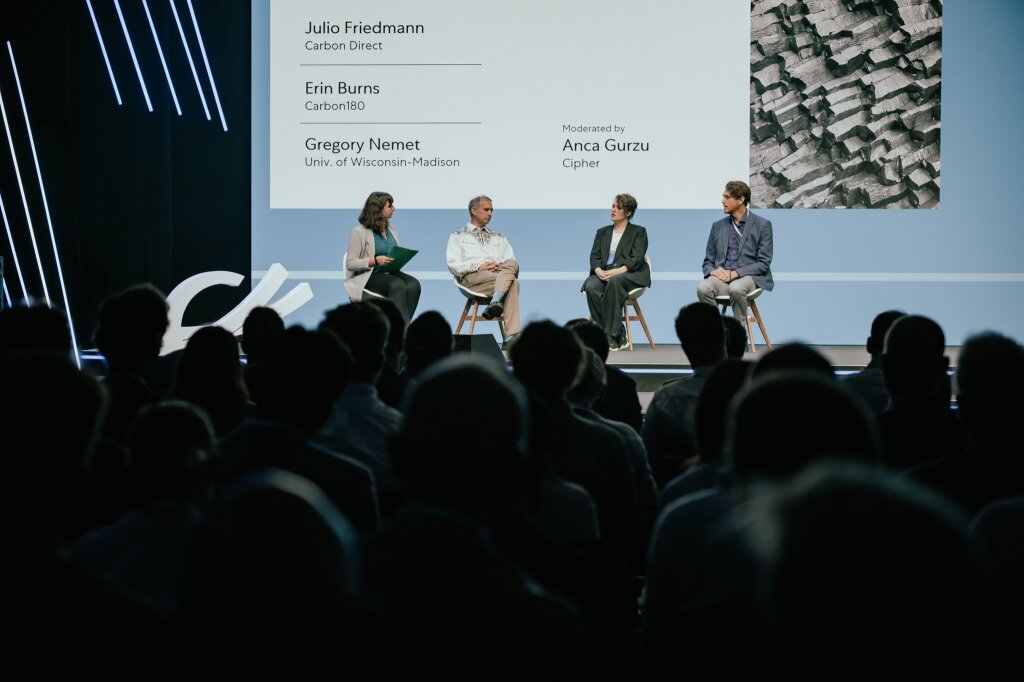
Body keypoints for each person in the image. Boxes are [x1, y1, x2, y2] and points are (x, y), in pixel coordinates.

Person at [446, 195, 521, 347]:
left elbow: (511, 262)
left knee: (511, 266)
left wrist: (498, 266)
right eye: (486, 209)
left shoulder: (499, 237)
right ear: (474, 211)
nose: (490, 213)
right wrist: (478, 267)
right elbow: (453, 265)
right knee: (512, 283)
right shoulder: (458, 236)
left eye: (492, 210)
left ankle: (495, 302)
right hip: (472, 279)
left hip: (498, 276)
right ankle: (511, 336)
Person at [697, 180, 774, 327]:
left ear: (741, 199)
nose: (722, 201)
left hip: (750, 278)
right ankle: (717, 333)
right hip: (723, 279)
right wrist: (714, 272)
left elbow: (763, 263)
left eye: (727, 197)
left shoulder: (762, 225)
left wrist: (736, 273)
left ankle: (738, 335)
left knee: (736, 287)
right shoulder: (717, 226)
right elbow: (707, 262)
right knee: (703, 287)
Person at [581, 194, 650, 351]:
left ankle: (610, 335)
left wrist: (616, 272)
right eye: (613, 206)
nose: (613, 210)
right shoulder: (602, 232)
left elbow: (636, 258)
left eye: (618, 208)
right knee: (591, 285)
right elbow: (595, 256)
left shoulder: (638, 232)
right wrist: (598, 270)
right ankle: (618, 334)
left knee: (615, 281)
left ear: (628, 213)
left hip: (630, 273)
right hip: (605, 273)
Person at [344, 191, 421, 323]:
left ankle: (404, 326)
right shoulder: (359, 232)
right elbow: (350, 263)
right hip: (369, 275)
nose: (394, 209)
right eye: (390, 206)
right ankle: (397, 331)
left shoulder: (391, 229)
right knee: (397, 285)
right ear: (378, 209)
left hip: (389, 272)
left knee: (414, 285)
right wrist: (374, 260)